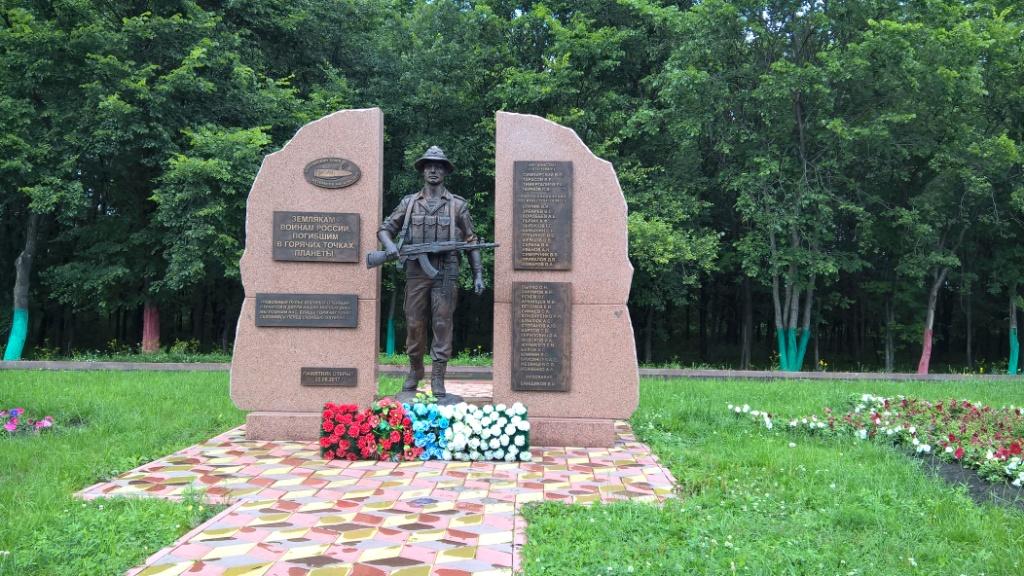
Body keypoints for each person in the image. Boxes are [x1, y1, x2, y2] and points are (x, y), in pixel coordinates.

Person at [377, 146, 484, 403]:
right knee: (414, 324)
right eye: (428, 166)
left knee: (442, 324)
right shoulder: (409, 203)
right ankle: (415, 371)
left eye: (438, 166)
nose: (433, 170)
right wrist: (392, 249)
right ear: (423, 170)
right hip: (416, 272)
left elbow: (471, 242)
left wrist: (478, 274)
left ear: (445, 171)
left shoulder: (457, 205)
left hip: (446, 273)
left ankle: (438, 377)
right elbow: (384, 229)